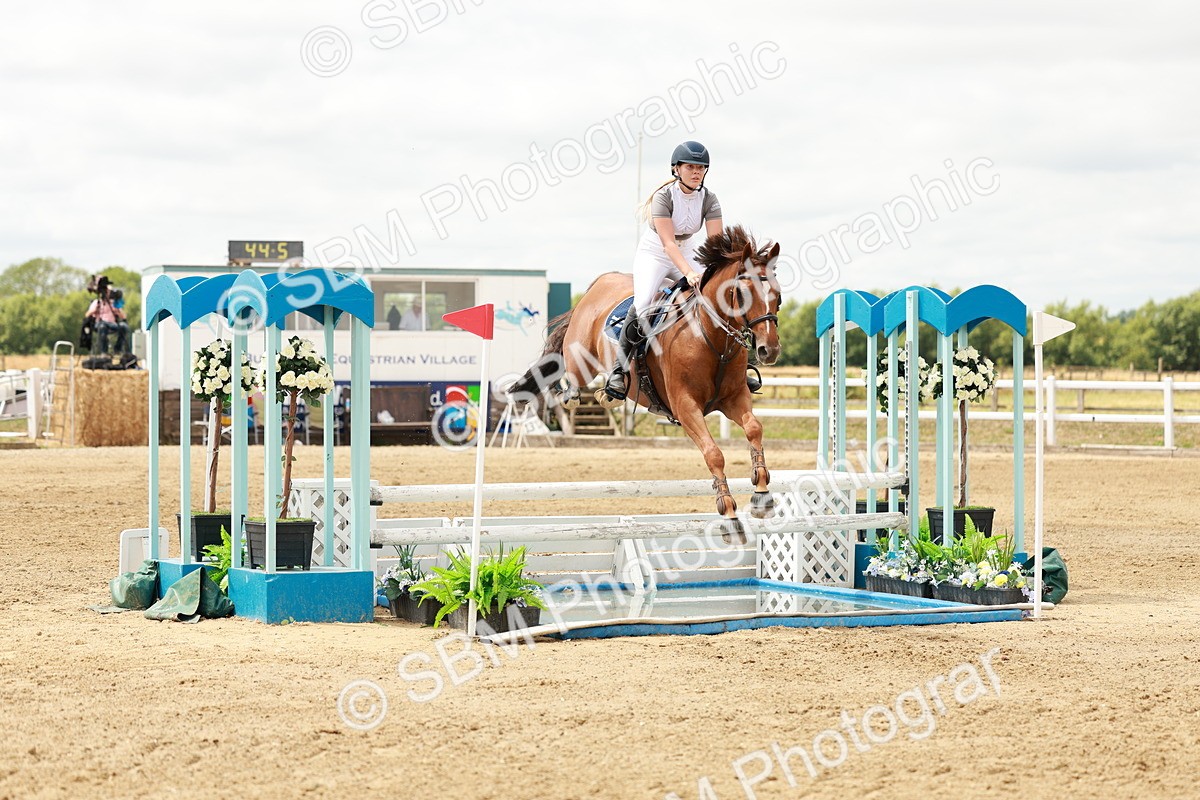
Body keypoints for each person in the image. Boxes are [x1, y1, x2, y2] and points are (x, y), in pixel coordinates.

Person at [604, 140, 723, 400]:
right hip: (655, 252)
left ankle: (734, 366)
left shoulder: (709, 199)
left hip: (689, 248)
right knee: (644, 301)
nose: (696, 172)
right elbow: (668, 244)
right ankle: (619, 369)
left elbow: (715, 243)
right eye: (690, 166)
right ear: (676, 169)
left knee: (717, 295)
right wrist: (689, 273)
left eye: (701, 168)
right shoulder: (664, 197)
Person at [86, 277, 130, 356]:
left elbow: (124, 317)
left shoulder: (114, 303)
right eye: (106, 291)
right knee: (103, 326)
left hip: (112, 324)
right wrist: (94, 310)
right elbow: (87, 315)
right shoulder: (97, 302)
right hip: (99, 324)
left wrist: (118, 311)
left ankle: (118, 349)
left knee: (124, 326)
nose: (107, 293)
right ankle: (104, 352)